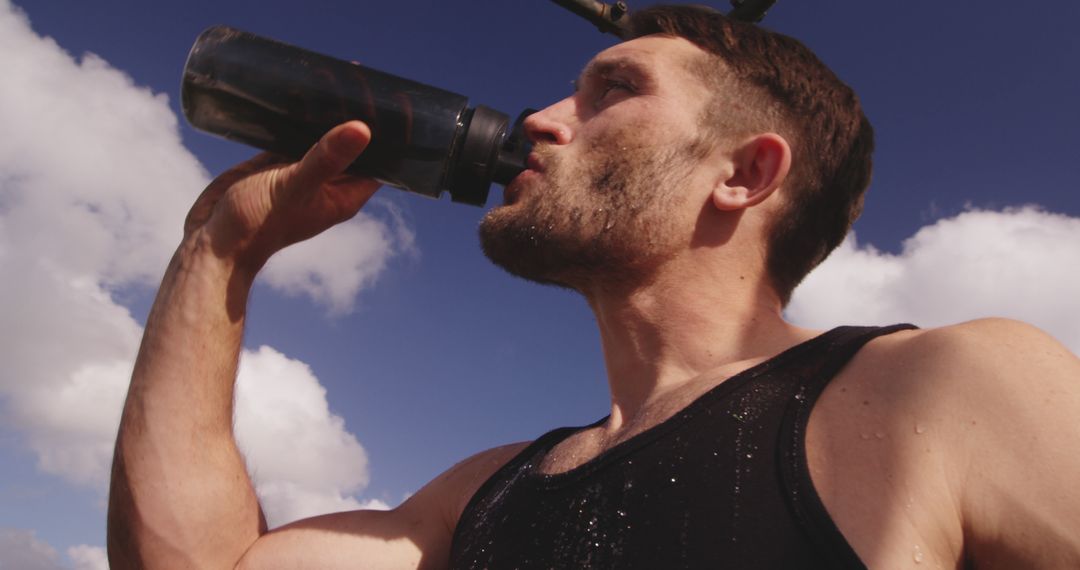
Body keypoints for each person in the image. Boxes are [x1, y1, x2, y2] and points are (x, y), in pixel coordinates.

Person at [107, 5, 1080, 569]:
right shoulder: (486, 491)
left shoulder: (951, 388)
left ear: (741, 174)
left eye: (612, 90)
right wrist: (216, 253)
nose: (540, 118)